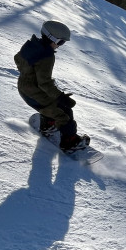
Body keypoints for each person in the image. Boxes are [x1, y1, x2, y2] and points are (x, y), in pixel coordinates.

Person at [14, 20, 89, 152]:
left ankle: (48, 124)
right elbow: (44, 83)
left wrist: (28, 74)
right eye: (60, 42)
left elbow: (17, 59)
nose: (60, 46)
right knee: (64, 112)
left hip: (23, 88)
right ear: (51, 38)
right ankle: (69, 142)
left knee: (52, 105)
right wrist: (61, 97)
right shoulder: (46, 56)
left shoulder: (32, 45)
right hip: (34, 94)